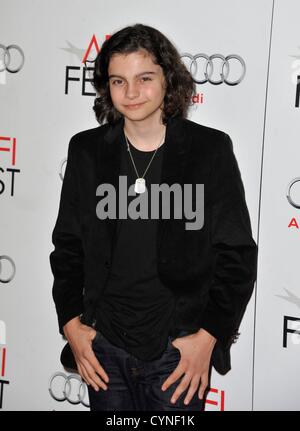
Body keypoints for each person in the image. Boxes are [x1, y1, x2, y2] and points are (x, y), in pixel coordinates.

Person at [49, 23, 258, 411]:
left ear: (168, 79)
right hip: (103, 348)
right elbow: (68, 249)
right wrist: (71, 326)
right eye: (118, 81)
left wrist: (208, 338)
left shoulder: (209, 151)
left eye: (144, 78)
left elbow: (237, 256)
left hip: (177, 353)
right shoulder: (86, 151)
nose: (130, 93)